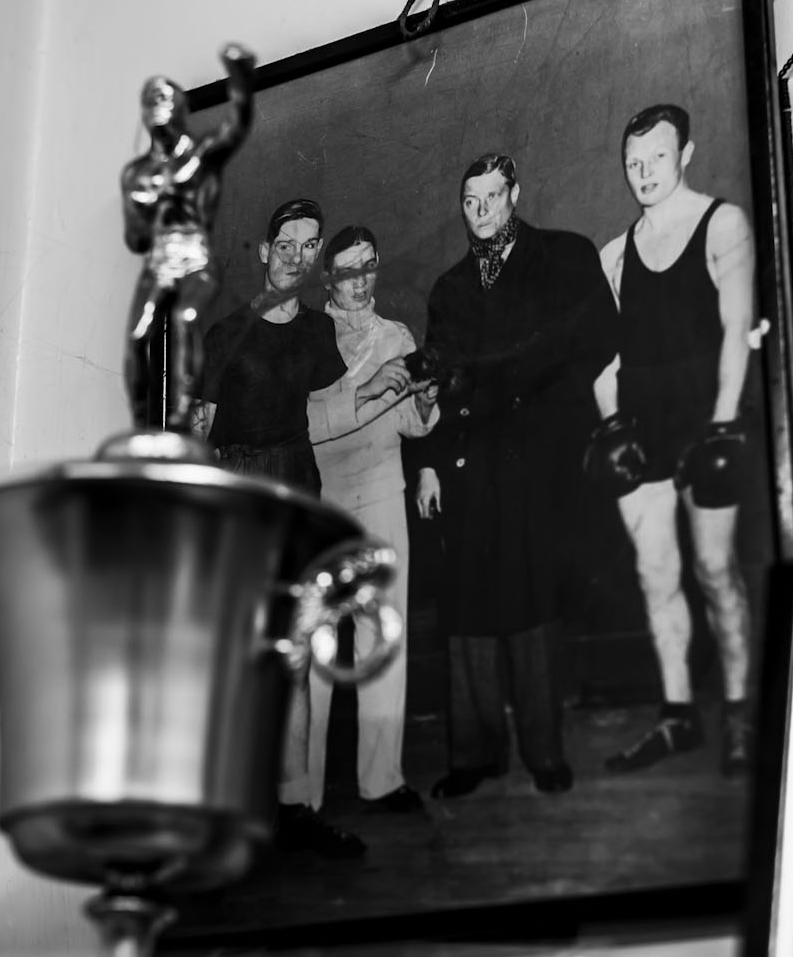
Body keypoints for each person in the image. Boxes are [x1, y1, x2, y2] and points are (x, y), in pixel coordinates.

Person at [190, 197, 411, 857]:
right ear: (265, 253)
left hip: (298, 493)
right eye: (285, 244)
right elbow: (198, 430)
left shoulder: (318, 334)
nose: (296, 256)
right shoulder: (227, 333)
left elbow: (334, 411)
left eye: (309, 245)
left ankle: (293, 811)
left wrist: (389, 386)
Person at [413, 153, 618, 799]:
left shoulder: (564, 256)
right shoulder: (449, 289)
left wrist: (545, 413)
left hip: (537, 461)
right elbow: (438, 383)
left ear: (515, 194)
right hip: (470, 466)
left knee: (534, 608)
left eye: (491, 197)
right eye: (469, 201)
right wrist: (430, 465)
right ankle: (474, 756)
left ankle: (544, 751)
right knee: (466, 609)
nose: (480, 212)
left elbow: (601, 338)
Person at [588, 104, 756, 777]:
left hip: (704, 423)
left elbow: (738, 328)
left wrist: (722, 423)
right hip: (643, 431)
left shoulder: (723, 224)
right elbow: (605, 359)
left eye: (657, 157)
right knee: (655, 575)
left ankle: (740, 714)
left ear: (685, 153)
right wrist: (612, 424)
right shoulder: (614, 254)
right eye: (633, 162)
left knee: (716, 571)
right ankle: (678, 715)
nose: (644, 171)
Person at [298, 226, 439, 817]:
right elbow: (305, 425)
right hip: (325, 503)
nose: (361, 281)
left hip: (383, 494)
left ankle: (382, 779)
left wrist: (425, 402)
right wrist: (370, 388)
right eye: (348, 271)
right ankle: (302, 795)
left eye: (369, 267)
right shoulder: (309, 336)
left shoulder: (396, 336)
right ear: (329, 278)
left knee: (382, 639)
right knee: (318, 650)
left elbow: (410, 423)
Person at [120, 43, 256, 430]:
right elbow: (136, 241)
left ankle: (179, 417)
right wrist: (144, 209)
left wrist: (241, 77)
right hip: (159, 261)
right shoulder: (136, 175)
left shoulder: (199, 156)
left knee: (185, 318)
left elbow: (236, 125)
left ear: (180, 109)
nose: (157, 108)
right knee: (138, 336)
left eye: (164, 100)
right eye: (151, 101)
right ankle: (142, 424)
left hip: (195, 256)